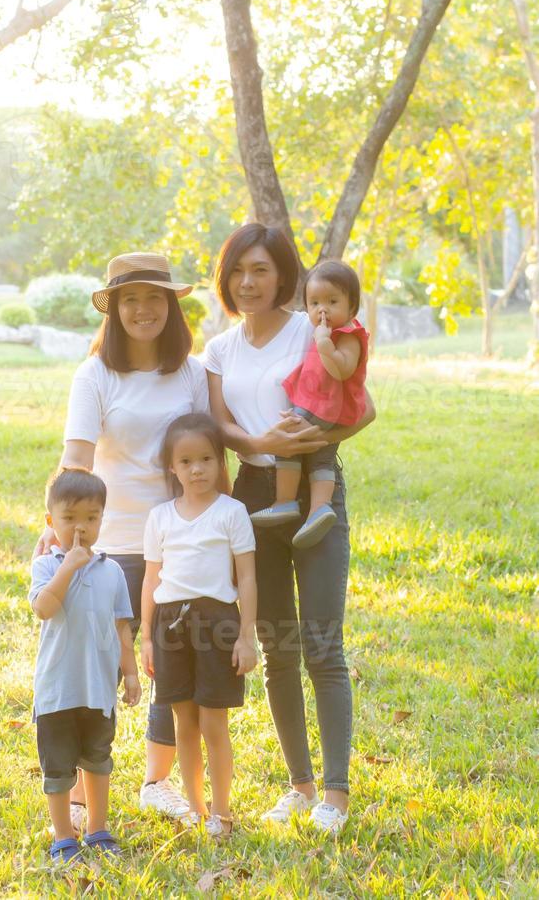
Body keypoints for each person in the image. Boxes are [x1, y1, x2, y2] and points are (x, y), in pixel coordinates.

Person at [203, 223, 375, 835]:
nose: (249, 282)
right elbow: (219, 427)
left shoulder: (313, 325)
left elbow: (365, 406)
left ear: (283, 276)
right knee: (278, 645)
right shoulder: (219, 349)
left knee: (323, 642)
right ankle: (299, 784)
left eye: (262, 270)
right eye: (238, 271)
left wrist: (308, 444)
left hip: (314, 492)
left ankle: (336, 791)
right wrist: (260, 443)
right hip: (254, 493)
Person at [34, 252, 209, 830]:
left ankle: (156, 782)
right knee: (98, 660)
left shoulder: (190, 372)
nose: (143, 310)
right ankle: (83, 793)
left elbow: (208, 451)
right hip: (106, 543)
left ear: (171, 306)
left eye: (154, 298)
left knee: (172, 664)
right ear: (113, 309)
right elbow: (77, 458)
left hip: (180, 540)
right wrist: (54, 527)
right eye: (130, 299)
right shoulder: (94, 375)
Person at [140, 413, 257, 836]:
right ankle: (196, 808)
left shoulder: (232, 512)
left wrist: (247, 636)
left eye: (206, 459)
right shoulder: (160, 518)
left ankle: (222, 813)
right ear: (172, 467)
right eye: (186, 461)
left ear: (221, 462)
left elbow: (246, 577)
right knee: (183, 723)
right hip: (169, 625)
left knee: (213, 722)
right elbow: (152, 579)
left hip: (218, 622)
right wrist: (147, 640)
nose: (197, 469)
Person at [29, 468, 141, 865]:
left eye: (91, 518)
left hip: (98, 689)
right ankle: (63, 835)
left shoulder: (112, 571)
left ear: (101, 519)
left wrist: (130, 673)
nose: (81, 527)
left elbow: (122, 627)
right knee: (58, 768)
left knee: (97, 760)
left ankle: (97, 828)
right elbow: (44, 608)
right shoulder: (46, 566)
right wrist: (68, 567)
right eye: (70, 518)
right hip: (57, 690)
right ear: (51, 522)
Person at [250, 260, 369, 550]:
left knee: (288, 437)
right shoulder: (323, 330)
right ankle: (319, 510)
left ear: (351, 308)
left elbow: (341, 370)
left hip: (326, 407)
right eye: (314, 303)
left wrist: (326, 344)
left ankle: (284, 501)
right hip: (323, 406)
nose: (322, 310)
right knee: (321, 459)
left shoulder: (348, 336)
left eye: (332, 301)